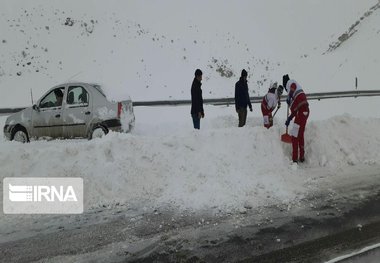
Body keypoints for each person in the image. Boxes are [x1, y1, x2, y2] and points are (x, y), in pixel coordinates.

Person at [283, 74, 310, 163]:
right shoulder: (297, 92)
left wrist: (289, 95)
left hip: (301, 113)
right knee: (300, 134)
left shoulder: (291, 83)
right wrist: (289, 119)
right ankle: (302, 156)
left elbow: (292, 87)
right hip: (305, 111)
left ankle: (295, 159)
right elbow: (296, 108)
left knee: (295, 135)